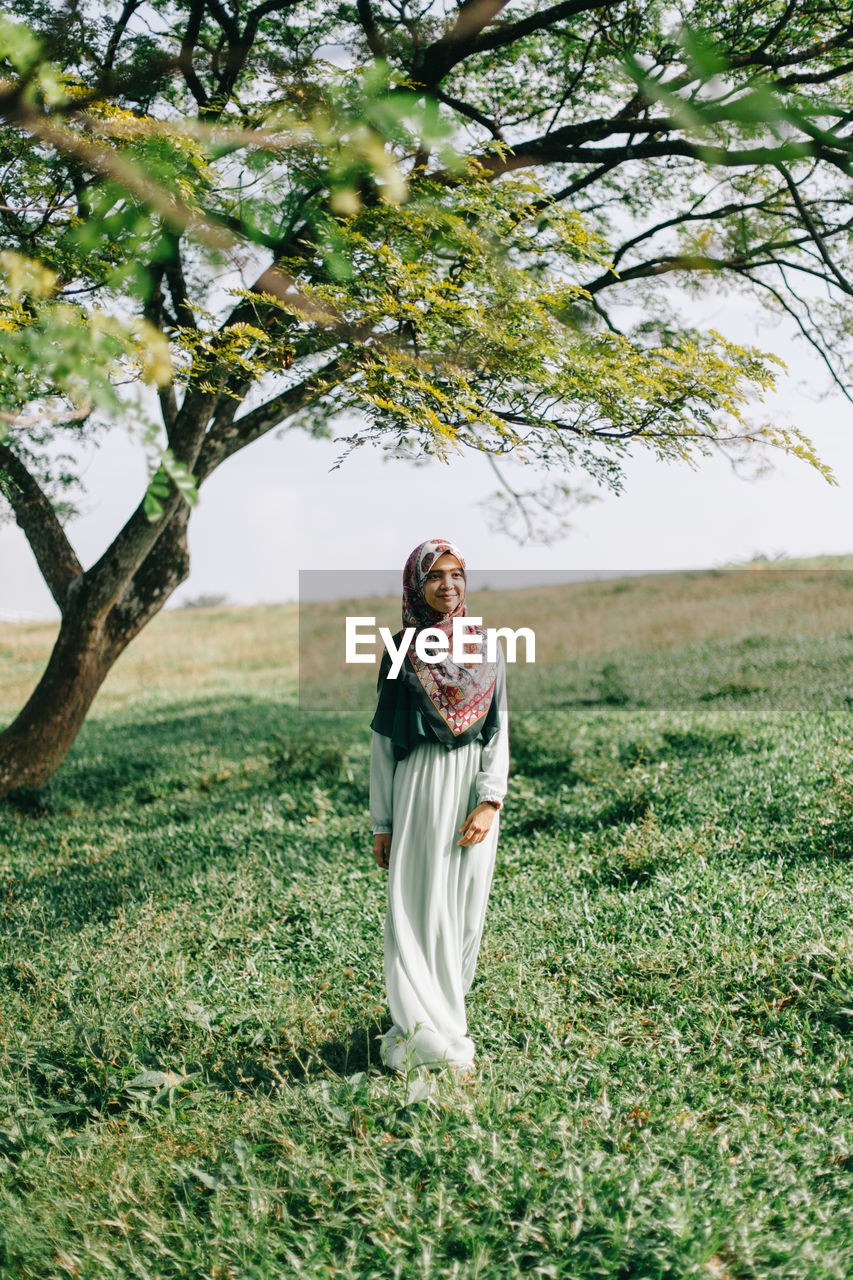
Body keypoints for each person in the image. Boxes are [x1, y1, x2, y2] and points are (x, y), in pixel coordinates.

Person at [369, 538, 509, 1074]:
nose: (448, 586)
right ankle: (420, 1028)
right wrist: (382, 820)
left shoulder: (486, 645)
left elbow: (499, 729)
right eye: (435, 577)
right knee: (417, 904)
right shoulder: (400, 650)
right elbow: (382, 743)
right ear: (415, 586)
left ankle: (449, 1017)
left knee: (465, 907)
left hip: (471, 788)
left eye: (456, 575)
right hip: (419, 784)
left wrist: (489, 800)